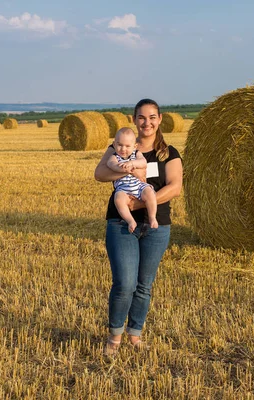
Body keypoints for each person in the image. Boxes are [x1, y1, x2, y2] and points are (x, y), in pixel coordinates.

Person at [94, 99, 183, 356]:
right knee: (124, 283)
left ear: (160, 119)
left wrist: (140, 205)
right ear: (134, 119)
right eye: (142, 117)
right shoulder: (119, 148)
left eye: (152, 117)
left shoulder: (169, 153)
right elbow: (100, 174)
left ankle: (135, 333)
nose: (147, 122)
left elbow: (175, 187)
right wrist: (127, 171)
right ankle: (114, 335)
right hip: (120, 222)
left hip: (157, 224)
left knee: (144, 285)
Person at [106, 127, 158, 233]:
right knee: (118, 199)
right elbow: (110, 165)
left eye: (127, 146)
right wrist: (122, 168)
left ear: (134, 146)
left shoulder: (136, 154)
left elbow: (143, 162)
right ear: (114, 144)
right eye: (120, 145)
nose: (123, 149)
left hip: (139, 186)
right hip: (123, 189)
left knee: (150, 193)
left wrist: (132, 163)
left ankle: (152, 217)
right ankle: (130, 221)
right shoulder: (114, 157)